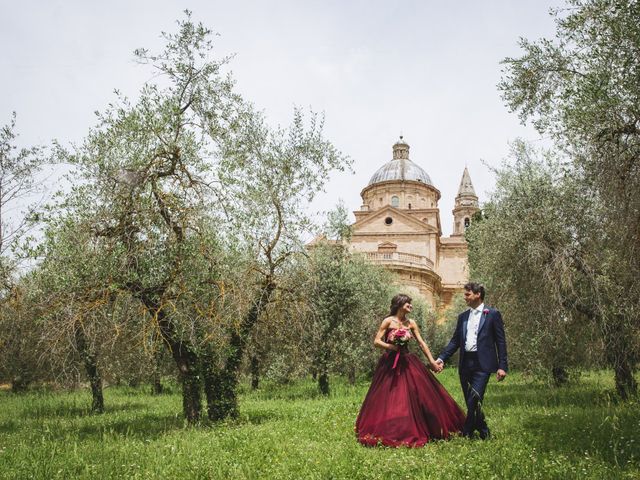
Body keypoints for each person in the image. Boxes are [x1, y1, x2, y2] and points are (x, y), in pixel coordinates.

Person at [355, 294, 465, 447]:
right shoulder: (388, 321)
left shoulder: (411, 322)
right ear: (400, 304)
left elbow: (421, 343)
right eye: (408, 304)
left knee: (417, 393)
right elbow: (376, 341)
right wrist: (391, 347)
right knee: (389, 395)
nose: (410, 306)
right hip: (390, 364)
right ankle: (390, 428)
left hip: (407, 361)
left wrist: (432, 362)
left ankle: (425, 426)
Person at [436, 282, 508, 440]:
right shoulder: (462, 317)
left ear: (478, 295)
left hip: (483, 364)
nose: (465, 297)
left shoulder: (493, 314)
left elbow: (501, 342)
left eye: (467, 294)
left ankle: (466, 430)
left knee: (474, 397)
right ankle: (483, 431)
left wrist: (502, 366)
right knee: (472, 402)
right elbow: (455, 341)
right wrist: (442, 358)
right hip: (465, 364)